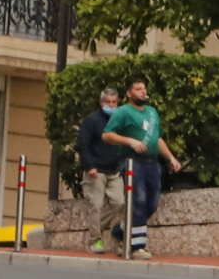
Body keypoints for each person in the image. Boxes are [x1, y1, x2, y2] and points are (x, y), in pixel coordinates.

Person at [101, 74, 182, 257]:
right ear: (129, 93)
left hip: (152, 163)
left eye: (144, 88)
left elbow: (157, 138)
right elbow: (107, 135)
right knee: (138, 200)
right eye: (138, 89)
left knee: (151, 204)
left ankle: (119, 232)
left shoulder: (152, 112)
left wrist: (171, 157)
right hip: (132, 162)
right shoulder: (123, 112)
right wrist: (130, 141)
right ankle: (137, 246)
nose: (143, 91)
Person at [75, 87, 123, 253]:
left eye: (114, 102)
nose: (111, 105)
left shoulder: (119, 121)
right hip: (95, 170)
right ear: (101, 102)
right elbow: (82, 145)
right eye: (108, 102)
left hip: (113, 170)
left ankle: (95, 231)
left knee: (119, 202)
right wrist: (89, 166)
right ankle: (95, 241)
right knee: (96, 205)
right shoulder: (91, 121)